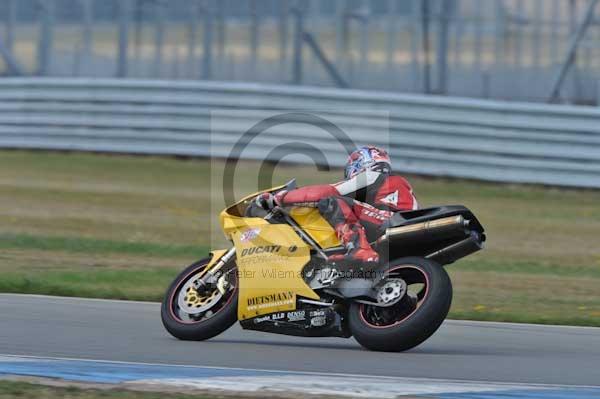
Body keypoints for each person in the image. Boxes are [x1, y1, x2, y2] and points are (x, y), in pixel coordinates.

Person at [256, 146, 418, 266]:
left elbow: (327, 192)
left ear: (363, 162)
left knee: (332, 201)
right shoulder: (388, 185)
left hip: (391, 222)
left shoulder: (373, 176)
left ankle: (358, 249)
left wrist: (281, 197)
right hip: (397, 228)